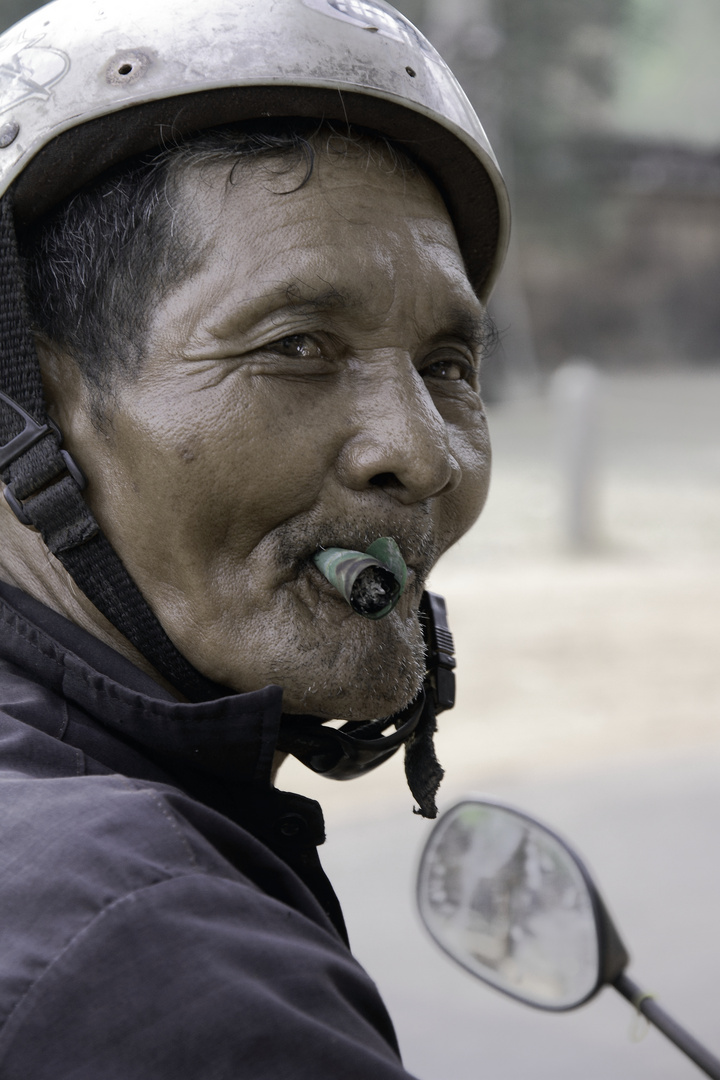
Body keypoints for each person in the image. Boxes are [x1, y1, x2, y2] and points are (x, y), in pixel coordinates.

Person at [0, 0, 510, 1074]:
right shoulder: (156, 955)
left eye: (449, 368)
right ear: (32, 421)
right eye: (296, 347)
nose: (421, 453)